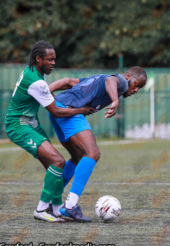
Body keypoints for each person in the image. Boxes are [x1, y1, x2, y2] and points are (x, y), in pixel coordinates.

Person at [5, 40, 95, 223]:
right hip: (18, 126)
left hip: (30, 123)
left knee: (52, 167)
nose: (54, 63)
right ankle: (40, 209)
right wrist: (81, 110)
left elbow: (50, 96)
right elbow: (56, 111)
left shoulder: (35, 72)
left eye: (54, 59)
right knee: (58, 161)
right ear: (39, 59)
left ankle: (56, 209)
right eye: (50, 60)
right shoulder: (36, 81)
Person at [48, 66, 147, 222]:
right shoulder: (120, 80)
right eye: (136, 85)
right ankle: (70, 206)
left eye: (138, 89)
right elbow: (111, 80)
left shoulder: (97, 78)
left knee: (77, 156)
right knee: (93, 153)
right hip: (70, 110)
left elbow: (67, 82)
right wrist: (115, 100)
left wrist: (46, 93)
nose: (135, 90)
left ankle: (50, 202)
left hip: (58, 108)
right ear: (128, 76)